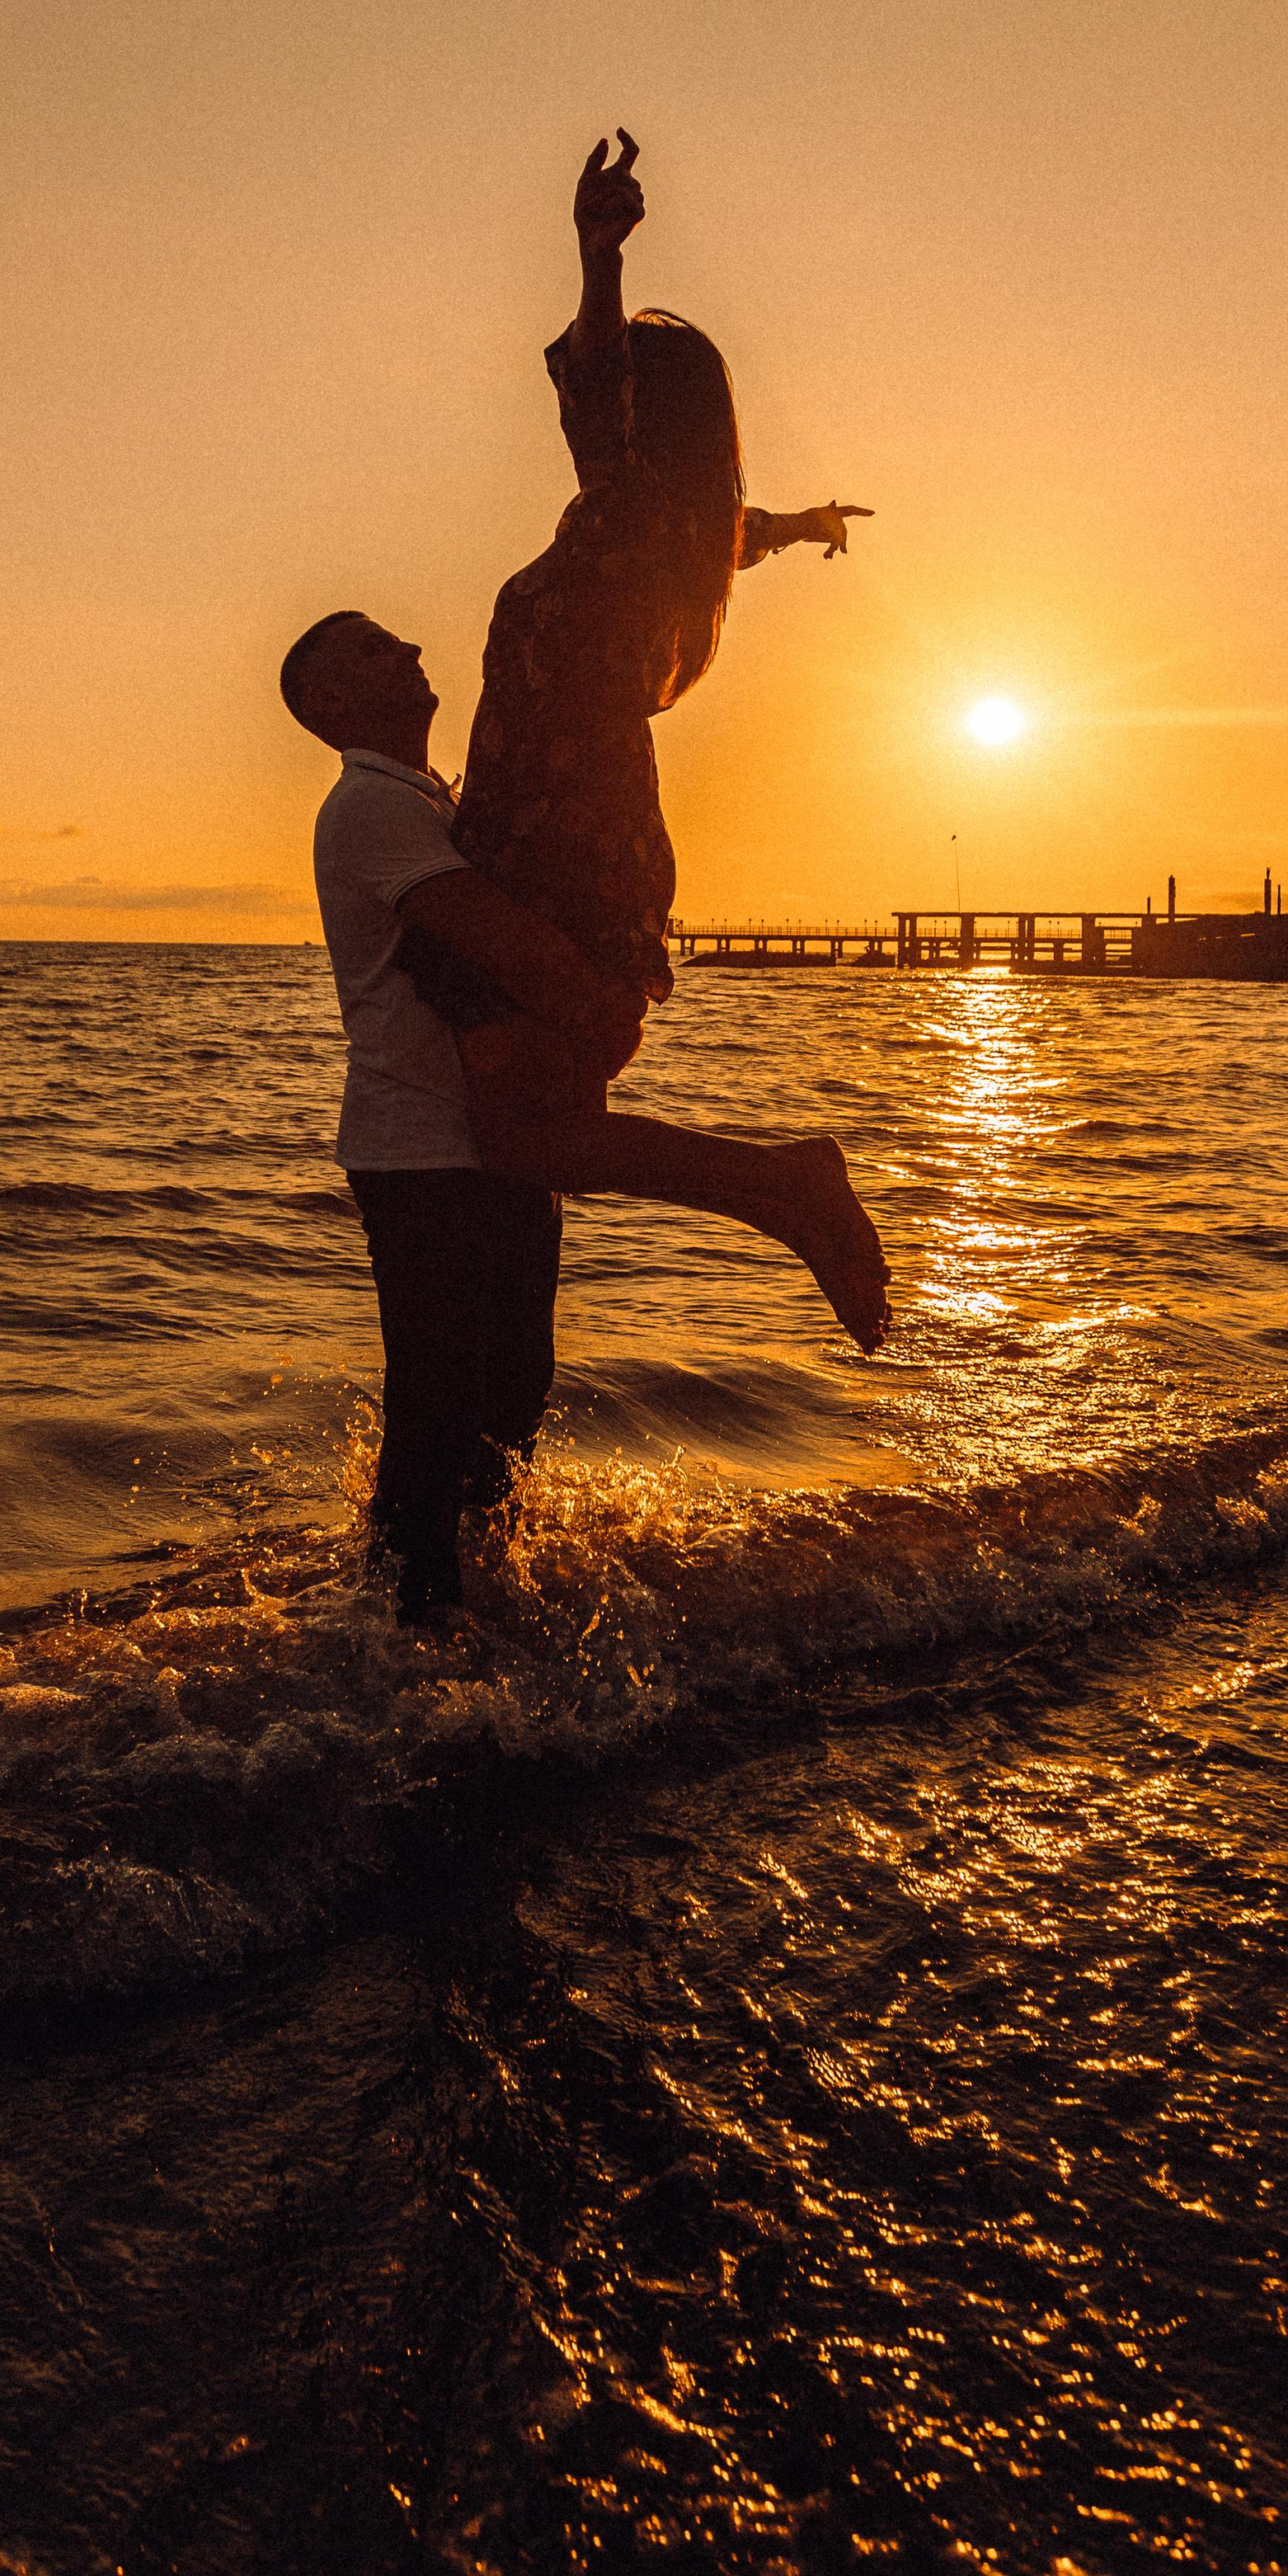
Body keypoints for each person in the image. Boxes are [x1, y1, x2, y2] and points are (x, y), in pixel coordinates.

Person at [285, 607, 881, 1624]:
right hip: (421, 1151)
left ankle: (482, 1606)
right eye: (374, 648)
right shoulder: (370, 809)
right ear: (329, 703)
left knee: (512, 1393)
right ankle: (410, 1640)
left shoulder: (433, 801)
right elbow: (501, 941)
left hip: (495, 1136)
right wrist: (610, 1006)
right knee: (437, 1402)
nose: (413, 650)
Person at [399, 130, 890, 1351]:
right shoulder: (666, 538)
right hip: (578, 831)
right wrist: (803, 524)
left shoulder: (626, 512)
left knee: (526, 1135)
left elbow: (600, 374)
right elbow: (732, 527)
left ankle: (785, 1187)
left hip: (558, 838)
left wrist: (596, 260)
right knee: (527, 1137)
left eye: (600, 399)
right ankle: (776, 1195)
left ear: (633, 424)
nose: (572, 401)